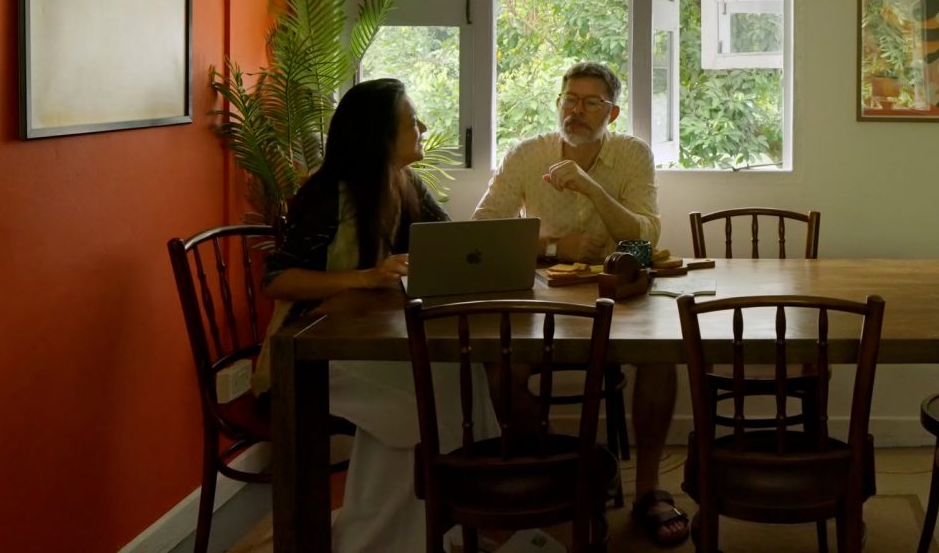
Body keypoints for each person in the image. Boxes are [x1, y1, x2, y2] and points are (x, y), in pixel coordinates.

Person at [260, 78, 496, 553]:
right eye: (412, 121)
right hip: (311, 353)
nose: (423, 127)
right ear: (379, 134)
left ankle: (426, 530)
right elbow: (277, 280)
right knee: (419, 405)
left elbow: (451, 247)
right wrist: (366, 277)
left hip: (374, 342)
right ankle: (383, 539)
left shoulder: (407, 184)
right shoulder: (329, 194)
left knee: (460, 374)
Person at [474, 61, 690, 546]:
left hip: (622, 297)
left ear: (611, 113)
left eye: (591, 102)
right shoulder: (527, 154)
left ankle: (650, 489)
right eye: (569, 99)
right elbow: (485, 233)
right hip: (544, 299)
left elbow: (646, 238)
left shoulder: (633, 154)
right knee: (499, 367)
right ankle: (565, 471)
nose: (576, 110)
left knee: (661, 360)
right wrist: (554, 249)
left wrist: (590, 187)